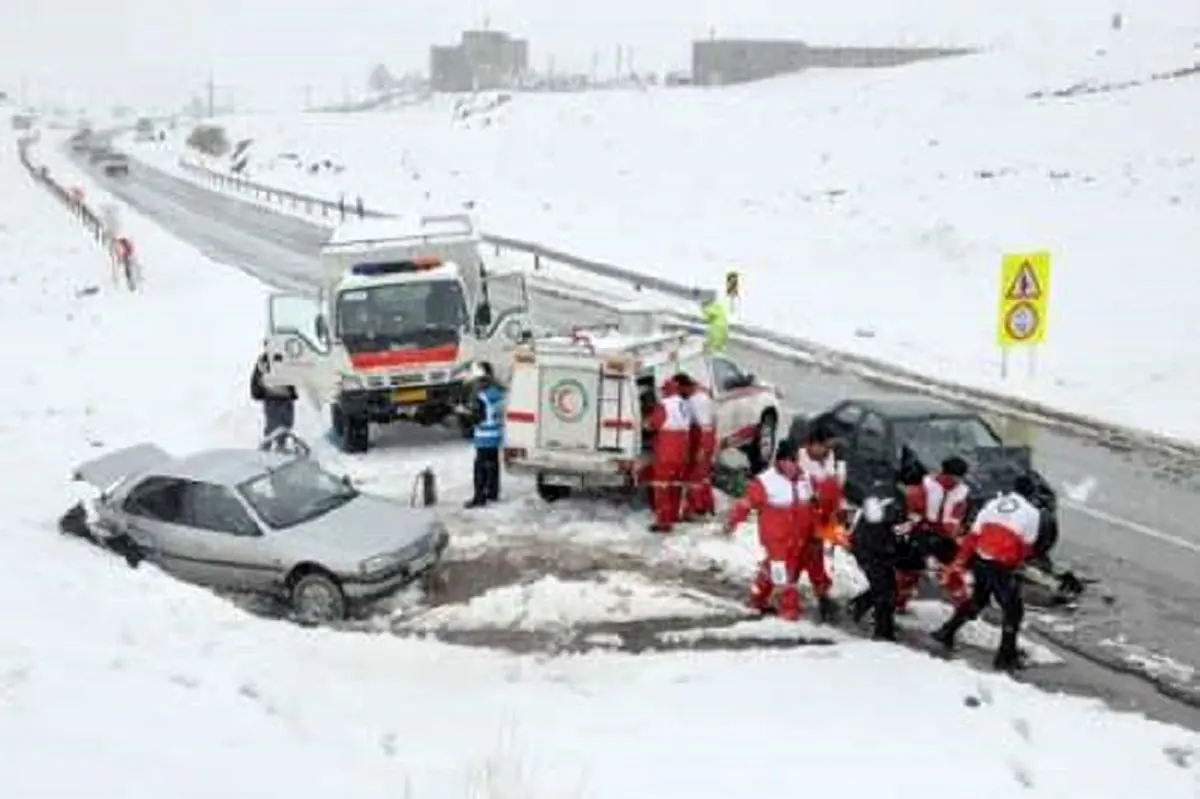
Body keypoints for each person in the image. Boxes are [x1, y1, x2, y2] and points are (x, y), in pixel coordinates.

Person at [932, 475, 1044, 670]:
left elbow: (973, 536)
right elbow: (1027, 546)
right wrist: (1018, 563)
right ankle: (1005, 656)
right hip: (1002, 565)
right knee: (1013, 611)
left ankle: (947, 631)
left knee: (978, 600)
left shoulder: (994, 502)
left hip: (981, 559)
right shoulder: (1032, 513)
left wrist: (960, 561)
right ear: (1031, 494)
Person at [721, 438, 816, 621]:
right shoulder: (765, 482)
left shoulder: (804, 479)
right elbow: (745, 505)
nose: (793, 466)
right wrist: (732, 522)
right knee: (784, 575)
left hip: (797, 536)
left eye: (795, 461)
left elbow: (811, 504)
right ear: (780, 461)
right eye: (789, 461)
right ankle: (789, 610)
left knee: (772, 568)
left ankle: (757, 597)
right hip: (776, 537)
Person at [894, 455, 971, 611]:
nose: (957, 482)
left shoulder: (961, 494)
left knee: (954, 569)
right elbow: (912, 510)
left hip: (944, 536)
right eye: (955, 477)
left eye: (959, 478)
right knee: (909, 569)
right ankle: (898, 601)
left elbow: (958, 516)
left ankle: (963, 606)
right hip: (921, 531)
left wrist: (955, 531)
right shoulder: (924, 487)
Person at [847, 480, 908, 640]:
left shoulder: (885, 493)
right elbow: (896, 530)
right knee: (886, 591)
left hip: (868, 547)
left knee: (886, 587)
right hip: (872, 549)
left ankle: (859, 606)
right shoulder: (898, 503)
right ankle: (883, 632)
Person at [797, 425, 845, 621]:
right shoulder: (799, 462)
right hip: (801, 520)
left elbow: (834, 488)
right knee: (796, 558)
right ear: (812, 444)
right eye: (825, 446)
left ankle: (822, 594)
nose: (827, 451)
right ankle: (778, 595)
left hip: (821, 519)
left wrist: (837, 509)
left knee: (815, 558)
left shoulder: (829, 459)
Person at [644, 373, 695, 532]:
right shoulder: (684, 404)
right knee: (675, 485)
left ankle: (663, 522)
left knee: (662, 487)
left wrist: (646, 422)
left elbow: (652, 424)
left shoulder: (665, 404)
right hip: (682, 449)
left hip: (667, 449)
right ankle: (674, 515)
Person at [465, 363, 505, 508]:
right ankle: (493, 492)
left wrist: (467, 416)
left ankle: (479, 497)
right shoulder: (497, 392)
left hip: (483, 436)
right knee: (493, 464)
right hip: (495, 434)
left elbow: (476, 416)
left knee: (480, 467)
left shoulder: (481, 396)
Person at [681, 383, 717, 520]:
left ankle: (696, 509)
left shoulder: (696, 401)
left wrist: (702, 448)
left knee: (695, 477)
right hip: (705, 439)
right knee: (703, 476)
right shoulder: (702, 397)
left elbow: (705, 426)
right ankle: (707, 506)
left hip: (703, 439)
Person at [250, 350, 297, 451]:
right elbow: (258, 376)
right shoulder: (266, 359)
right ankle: (268, 449)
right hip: (273, 398)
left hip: (284, 398)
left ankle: (280, 447)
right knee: (273, 426)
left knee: (286, 424)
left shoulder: (287, 356)